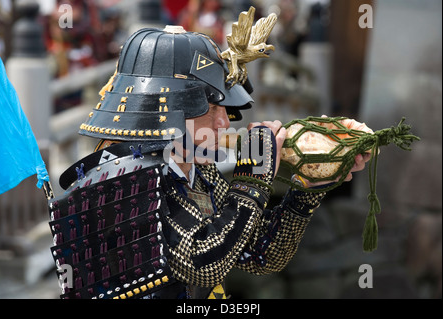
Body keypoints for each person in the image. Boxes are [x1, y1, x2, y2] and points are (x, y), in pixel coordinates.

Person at [48, 21, 369, 300]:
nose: (224, 123)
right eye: (211, 107)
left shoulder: (196, 167)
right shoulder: (118, 180)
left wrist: (306, 190)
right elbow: (203, 261)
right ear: (169, 108)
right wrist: (254, 173)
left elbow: (256, 254)